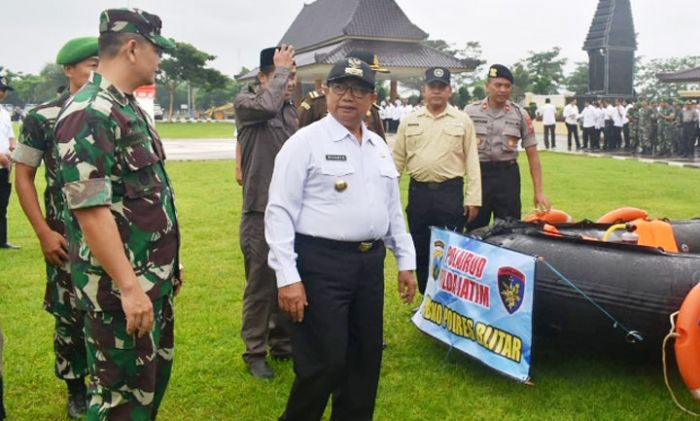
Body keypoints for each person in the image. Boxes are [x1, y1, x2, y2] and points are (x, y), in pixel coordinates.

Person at [265, 57, 417, 421]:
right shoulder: (305, 142)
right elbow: (279, 211)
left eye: (359, 90)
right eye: (340, 88)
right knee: (324, 363)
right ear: (327, 92)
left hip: (368, 264)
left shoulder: (379, 145)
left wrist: (405, 261)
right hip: (321, 264)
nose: (349, 97)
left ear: (371, 99)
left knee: (365, 360)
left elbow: (392, 208)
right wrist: (287, 277)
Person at [54, 8, 181, 419]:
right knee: (119, 403)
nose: (158, 61)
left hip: (149, 281)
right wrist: (129, 288)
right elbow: (91, 211)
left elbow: (144, 197)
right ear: (132, 48)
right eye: (156, 51)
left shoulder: (125, 108)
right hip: (119, 294)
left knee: (146, 391)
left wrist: (166, 267)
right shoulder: (89, 112)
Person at [12, 36, 98, 419]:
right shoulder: (43, 117)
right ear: (68, 70)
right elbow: (24, 176)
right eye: (91, 65)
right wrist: (43, 233)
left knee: (107, 310)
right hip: (65, 236)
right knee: (70, 315)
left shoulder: (114, 111)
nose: (98, 72)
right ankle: (75, 388)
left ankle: (105, 381)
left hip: (113, 236)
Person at [233, 45, 297, 379]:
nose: (288, 82)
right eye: (281, 75)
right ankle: (255, 352)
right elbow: (266, 104)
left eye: (292, 76)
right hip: (259, 211)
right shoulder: (247, 102)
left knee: (288, 278)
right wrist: (281, 70)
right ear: (262, 77)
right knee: (260, 285)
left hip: (290, 212)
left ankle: (283, 342)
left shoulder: (290, 110)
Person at [392, 66, 480, 294]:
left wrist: (473, 198)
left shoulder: (462, 120)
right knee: (420, 246)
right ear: (424, 90)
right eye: (433, 87)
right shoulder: (409, 121)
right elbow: (396, 162)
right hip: (419, 192)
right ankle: (425, 299)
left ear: (449, 91)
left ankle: (447, 299)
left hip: (449, 192)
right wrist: (387, 196)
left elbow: (472, 161)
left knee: (449, 247)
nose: (437, 92)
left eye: (442, 88)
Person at [465, 64, 551, 231]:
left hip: (507, 177)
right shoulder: (470, 112)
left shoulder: (520, 114)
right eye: (498, 85)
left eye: (507, 86)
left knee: (510, 230)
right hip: (479, 176)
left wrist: (538, 191)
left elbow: (533, 155)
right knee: (474, 228)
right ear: (487, 86)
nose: (503, 90)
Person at [297, 50, 388, 140]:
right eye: (370, 72)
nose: (371, 78)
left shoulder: (370, 108)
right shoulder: (316, 103)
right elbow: (297, 135)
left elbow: (380, 144)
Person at [0, 75, 19, 249]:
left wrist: (14, 149)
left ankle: (2, 240)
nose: (2, 93)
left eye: (4, 90)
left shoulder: (4, 113)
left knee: (2, 205)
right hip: (1, 161)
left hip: (4, 167)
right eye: (1, 90)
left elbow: (11, 138)